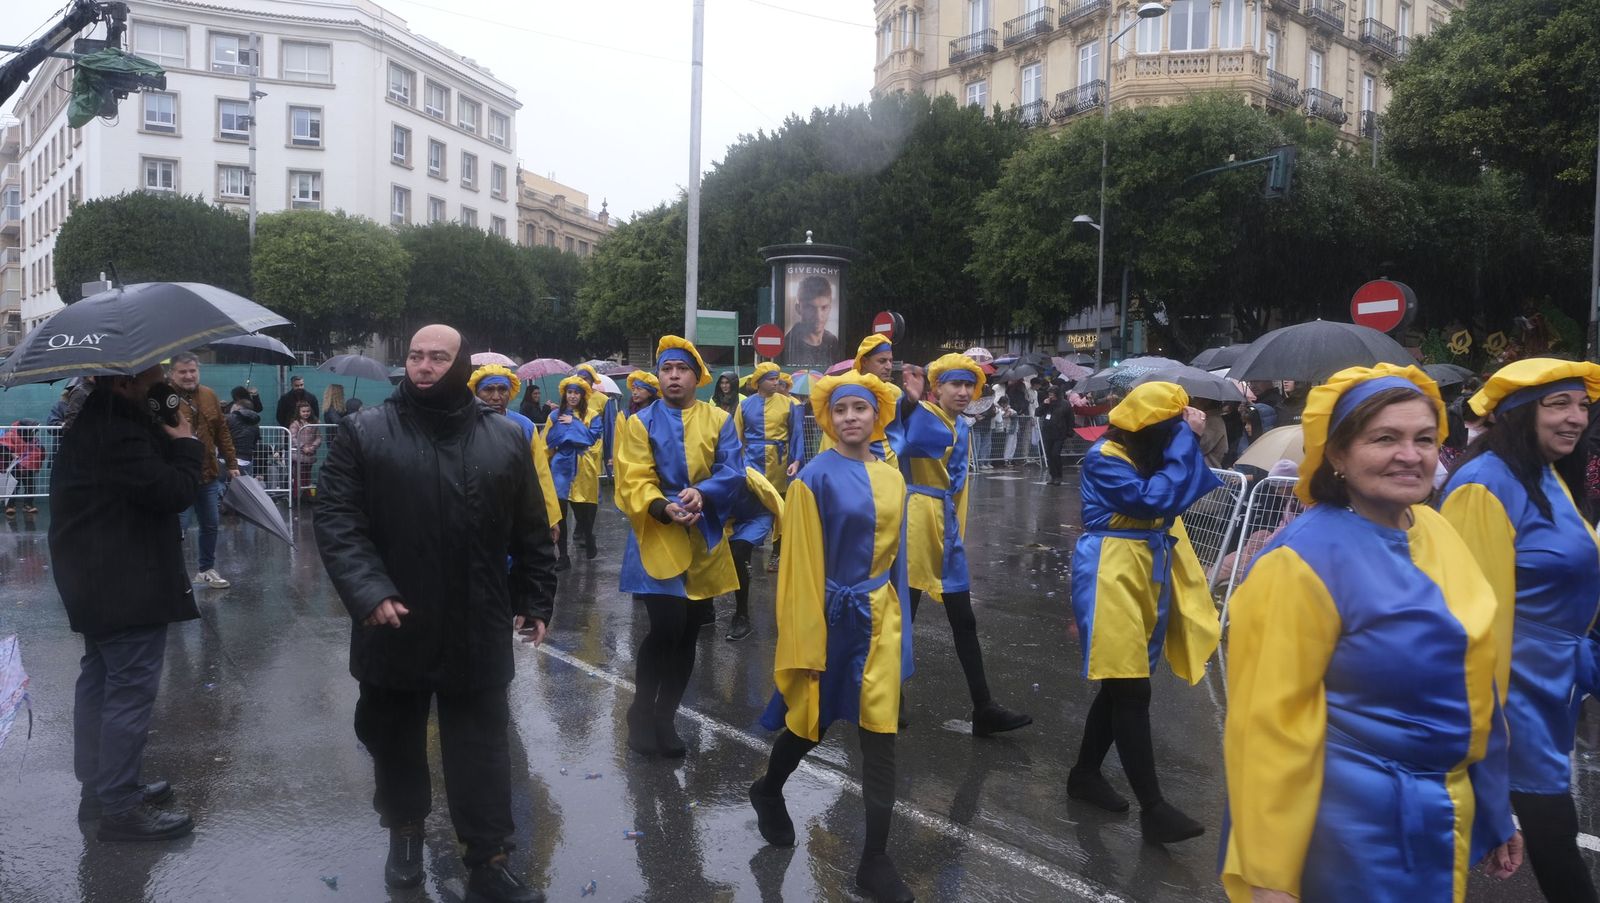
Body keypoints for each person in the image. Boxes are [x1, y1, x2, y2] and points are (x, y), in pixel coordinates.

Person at [1221, 364, 1522, 900]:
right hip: (1348, 833)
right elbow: (1267, 733)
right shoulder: (1297, 563)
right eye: (1385, 438)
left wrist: (1495, 805)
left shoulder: (1434, 527)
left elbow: (1477, 682)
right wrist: (1270, 878)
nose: (1411, 455)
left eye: (1424, 439)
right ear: (1336, 454)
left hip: (1437, 820)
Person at [315, 325, 557, 902]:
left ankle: (489, 859)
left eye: (437, 357)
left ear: (460, 365)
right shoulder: (363, 432)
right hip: (393, 624)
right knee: (394, 740)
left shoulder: (504, 439)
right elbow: (338, 521)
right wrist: (369, 591)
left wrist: (536, 598)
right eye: (416, 356)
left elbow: (532, 528)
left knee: (481, 750)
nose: (423, 366)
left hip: (478, 624)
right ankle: (404, 832)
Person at [1438, 358, 1600, 903]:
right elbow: (1470, 622)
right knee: (1551, 832)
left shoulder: (1547, 473)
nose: (1577, 417)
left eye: (1583, 405)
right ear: (1517, 414)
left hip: (1555, 680)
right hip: (1515, 691)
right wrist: (1485, 727)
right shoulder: (1484, 486)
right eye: (1559, 404)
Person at [750, 369, 914, 903]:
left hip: (880, 619)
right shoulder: (812, 479)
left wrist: (902, 636)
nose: (850, 418)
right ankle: (768, 789)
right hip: (829, 617)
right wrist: (805, 642)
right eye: (840, 409)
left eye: (860, 409)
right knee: (809, 722)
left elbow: (898, 564)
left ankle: (874, 858)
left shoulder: (893, 476)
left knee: (880, 733)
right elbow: (798, 569)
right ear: (827, 416)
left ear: (877, 415)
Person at [50, 364, 200, 841]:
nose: (162, 379)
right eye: (153, 373)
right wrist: (185, 441)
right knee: (128, 694)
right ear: (123, 380)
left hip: (96, 578)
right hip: (124, 583)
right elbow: (173, 491)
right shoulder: (118, 433)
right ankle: (119, 807)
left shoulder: (104, 421)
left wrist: (162, 416)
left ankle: (103, 787)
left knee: (99, 683)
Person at [1068, 381, 1219, 843]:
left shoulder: (1136, 454)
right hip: (1110, 572)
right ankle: (1153, 808)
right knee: (1131, 690)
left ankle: (1085, 774)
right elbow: (1154, 499)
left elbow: (1170, 491)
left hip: (1140, 568)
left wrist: (1182, 437)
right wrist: (1183, 439)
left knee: (1121, 686)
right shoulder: (1105, 459)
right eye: (1170, 428)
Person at [613, 336, 744, 758]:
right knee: (666, 627)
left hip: (703, 531)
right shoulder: (640, 421)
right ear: (659, 375)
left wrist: (703, 494)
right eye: (666, 369)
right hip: (658, 531)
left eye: (682, 369)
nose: (673, 376)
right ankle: (639, 712)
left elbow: (733, 470)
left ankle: (666, 717)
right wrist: (662, 506)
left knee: (688, 634)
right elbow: (633, 476)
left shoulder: (720, 419)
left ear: (697, 377)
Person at [898, 353, 1031, 736]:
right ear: (936, 388)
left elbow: (958, 489)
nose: (962, 391)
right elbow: (897, 423)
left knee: (964, 619)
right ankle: (889, 694)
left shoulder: (965, 428)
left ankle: (983, 706)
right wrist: (909, 400)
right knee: (904, 615)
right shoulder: (921, 415)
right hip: (913, 523)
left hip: (944, 527)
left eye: (968, 385)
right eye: (954, 384)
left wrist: (956, 531)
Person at [168, 353, 238, 589]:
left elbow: (222, 432)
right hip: (178, 476)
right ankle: (172, 575)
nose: (188, 376)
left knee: (210, 524)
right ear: (172, 373)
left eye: (192, 371)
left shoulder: (209, 395)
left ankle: (206, 569)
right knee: (178, 528)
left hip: (208, 473)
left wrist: (232, 464)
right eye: (182, 371)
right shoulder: (163, 397)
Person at [470, 365, 562, 543]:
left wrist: (550, 518)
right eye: (488, 390)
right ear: (476, 392)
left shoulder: (524, 426)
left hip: (517, 513)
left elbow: (540, 474)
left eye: (502, 389)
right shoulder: (464, 424)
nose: (496, 397)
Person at [736, 362, 803, 573]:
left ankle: (777, 553)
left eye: (777, 379)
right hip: (752, 463)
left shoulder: (788, 404)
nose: (777, 383)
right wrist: (737, 465)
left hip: (780, 463)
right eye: (771, 379)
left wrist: (796, 460)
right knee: (750, 509)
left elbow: (797, 434)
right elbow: (736, 438)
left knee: (780, 510)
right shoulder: (744, 406)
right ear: (759, 382)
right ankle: (744, 554)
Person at [818, 335, 910, 468]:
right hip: (851, 469)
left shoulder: (895, 393)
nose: (889, 366)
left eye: (890, 361)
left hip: (889, 469)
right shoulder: (847, 390)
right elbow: (831, 438)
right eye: (882, 361)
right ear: (865, 362)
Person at [543, 376, 602, 570]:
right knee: (560, 512)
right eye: (570, 392)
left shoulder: (592, 415)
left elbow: (591, 438)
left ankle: (589, 535)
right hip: (560, 465)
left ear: (583, 395)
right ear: (564, 394)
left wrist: (574, 422)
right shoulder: (554, 416)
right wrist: (541, 466)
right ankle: (564, 556)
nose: (573, 396)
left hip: (582, 466)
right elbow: (547, 442)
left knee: (582, 512)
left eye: (577, 392)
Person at [782, 275, 841, 367]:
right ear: (798, 308)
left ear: (830, 308)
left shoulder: (833, 341)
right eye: (811, 308)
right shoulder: (788, 344)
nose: (818, 316)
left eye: (824, 308)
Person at [0, 419, 44, 518]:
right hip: (13, 466)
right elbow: (2, 447)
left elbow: (38, 450)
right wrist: (11, 454)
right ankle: (10, 505)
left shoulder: (32, 439)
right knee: (13, 486)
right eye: (33, 430)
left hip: (28, 466)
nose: (34, 433)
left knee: (30, 486)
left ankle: (28, 505)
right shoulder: (10, 435)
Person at [1039, 384, 1073, 485]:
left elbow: (1070, 418)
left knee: (1055, 454)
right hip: (1048, 433)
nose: (1050, 396)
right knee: (1049, 455)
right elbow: (1038, 413)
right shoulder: (1047, 403)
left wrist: (1069, 431)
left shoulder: (1065, 404)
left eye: (1052, 394)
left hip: (1059, 433)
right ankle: (1053, 475)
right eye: (1049, 394)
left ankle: (1059, 475)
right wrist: (1044, 405)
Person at [225, 387, 262, 476]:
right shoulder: (255, 423)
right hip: (247, 458)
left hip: (229, 456)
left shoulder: (229, 417)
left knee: (222, 484)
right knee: (244, 483)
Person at [289, 401, 321, 502]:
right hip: (298, 455)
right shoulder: (295, 423)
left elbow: (319, 437)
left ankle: (305, 496)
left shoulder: (315, 422)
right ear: (298, 412)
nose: (306, 413)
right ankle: (296, 496)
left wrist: (312, 447)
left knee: (307, 476)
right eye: (303, 411)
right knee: (298, 477)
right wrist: (303, 447)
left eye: (308, 411)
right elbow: (293, 438)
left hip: (310, 454)